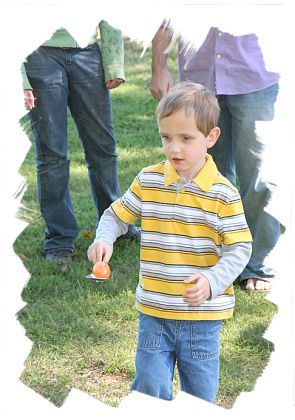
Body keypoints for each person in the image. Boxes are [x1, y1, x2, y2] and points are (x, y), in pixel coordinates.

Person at [87, 82, 252, 403]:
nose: (174, 149)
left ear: (211, 138)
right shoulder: (149, 180)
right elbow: (117, 215)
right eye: (166, 138)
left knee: (200, 396)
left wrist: (212, 280)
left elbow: (240, 248)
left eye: (186, 139)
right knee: (148, 388)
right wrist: (104, 236)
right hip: (155, 311)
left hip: (202, 317)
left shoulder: (223, 194)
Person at [150, 24, 281, 292]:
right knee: (206, 178)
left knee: (259, 176)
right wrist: (158, 66)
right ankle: (213, 257)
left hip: (257, 75)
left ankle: (258, 263)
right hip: (200, 79)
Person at [22, 21, 139, 271]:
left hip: (88, 52)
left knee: (103, 148)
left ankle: (116, 224)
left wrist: (114, 61)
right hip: (38, 53)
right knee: (52, 153)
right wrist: (20, 76)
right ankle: (59, 240)